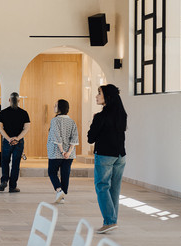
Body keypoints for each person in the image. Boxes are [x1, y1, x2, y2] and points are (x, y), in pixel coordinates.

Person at [87, 84, 127, 234]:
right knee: (114, 189)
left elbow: (90, 138)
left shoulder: (100, 116)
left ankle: (109, 221)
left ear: (107, 97)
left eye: (99, 93)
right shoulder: (122, 115)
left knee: (102, 187)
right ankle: (112, 220)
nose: (96, 96)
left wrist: (94, 121)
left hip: (105, 155)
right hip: (120, 156)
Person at [0, 92, 30, 193]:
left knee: (5, 162)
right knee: (15, 164)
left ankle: (4, 180)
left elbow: (0, 128)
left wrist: (8, 139)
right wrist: (17, 138)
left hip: (7, 142)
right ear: (19, 100)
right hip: (18, 142)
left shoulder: (3, 113)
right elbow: (26, 128)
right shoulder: (24, 113)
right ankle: (12, 187)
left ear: (9, 100)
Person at [47, 98, 79, 204]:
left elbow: (56, 136)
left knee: (52, 172)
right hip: (69, 155)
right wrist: (68, 152)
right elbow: (75, 138)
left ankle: (59, 190)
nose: (54, 107)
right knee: (65, 174)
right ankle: (62, 197)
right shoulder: (72, 121)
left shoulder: (55, 120)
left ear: (60, 108)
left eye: (55, 105)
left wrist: (62, 151)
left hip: (56, 152)